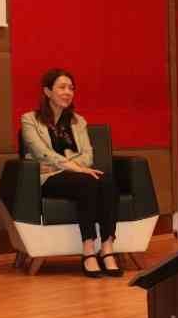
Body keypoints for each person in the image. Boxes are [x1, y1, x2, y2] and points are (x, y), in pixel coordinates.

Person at [19, 68, 120, 277]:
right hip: (48, 178)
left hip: (75, 173)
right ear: (47, 91)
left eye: (71, 88)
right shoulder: (30, 120)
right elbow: (41, 153)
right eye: (62, 87)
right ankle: (88, 249)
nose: (68, 92)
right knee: (87, 181)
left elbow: (88, 156)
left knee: (107, 180)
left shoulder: (78, 121)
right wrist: (73, 166)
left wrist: (72, 167)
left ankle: (107, 247)